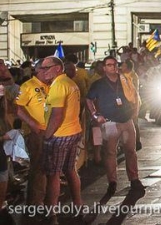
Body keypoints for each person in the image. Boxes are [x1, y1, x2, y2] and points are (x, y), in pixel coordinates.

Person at [86, 56, 144, 197]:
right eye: (109, 65)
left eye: (115, 64)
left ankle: (134, 179)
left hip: (127, 120)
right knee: (110, 152)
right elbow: (88, 99)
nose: (113, 67)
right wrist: (95, 115)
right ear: (104, 68)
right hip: (110, 122)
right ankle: (112, 181)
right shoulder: (98, 84)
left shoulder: (125, 80)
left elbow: (134, 95)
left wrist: (134, 112)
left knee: (131, 151)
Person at [42, 57, 83, 219]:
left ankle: (51, 213)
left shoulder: (59, 85)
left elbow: (57, 116)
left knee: (53, 175)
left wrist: (47, 136)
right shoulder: (68, 83)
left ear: (58, 68)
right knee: (70, 170)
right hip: (73, 131)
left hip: (60, 135)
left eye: (47, 67)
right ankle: (78, 206)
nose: (44, 71)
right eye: (42, 68)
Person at [15, 59, 50, 205]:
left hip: (52, 132)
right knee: (39, 168)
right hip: (38, 133)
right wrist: (33, 124)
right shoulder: (28, 86)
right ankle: (35, 202)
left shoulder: (52, 86)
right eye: (46, 68)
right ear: (38, 70)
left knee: (49, 167)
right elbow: (18, 108)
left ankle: (47, 198)